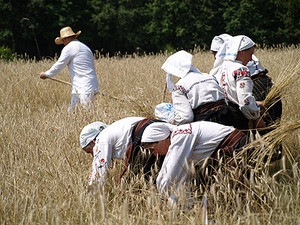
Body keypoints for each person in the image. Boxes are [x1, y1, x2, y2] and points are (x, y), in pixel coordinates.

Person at [140, 121, 249, 205]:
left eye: (153, 149)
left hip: (237, 147)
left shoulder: (181, 136)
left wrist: (162, 200)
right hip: (227, 149)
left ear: (162, 139)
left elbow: (172, 173)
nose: (155, 154)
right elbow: (170, 171)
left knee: (236, 196)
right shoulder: (178, 136)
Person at [79, 117, 165, 189]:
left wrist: (91, 195)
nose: (93, 155)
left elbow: (99, 171)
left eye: (90, 151)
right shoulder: (116, 128)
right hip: (163, 130)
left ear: (93, 141)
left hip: (147, 137)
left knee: (132, 186)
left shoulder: (101, 139)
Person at [161, 50, 236, 127]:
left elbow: (186, 118)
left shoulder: (179, 87)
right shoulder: (209, 77)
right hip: (228, 118)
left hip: (207, 123)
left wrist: (172, 123)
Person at [39, 26, 99, 110]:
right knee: (72, 111)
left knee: (87, 111)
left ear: (64, 39)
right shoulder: (85, 47)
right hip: (86, 83)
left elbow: (59, 65)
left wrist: (46, 74)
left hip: (84, 85)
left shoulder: (69, 48)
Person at [209, 35, 262, 129]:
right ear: (241, 52)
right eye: (250, 54)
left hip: (222, 117)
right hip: (238, 118)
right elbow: (245, 101)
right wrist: (256, 117)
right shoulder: (241, 70)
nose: (250, 59)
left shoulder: (219, 68)